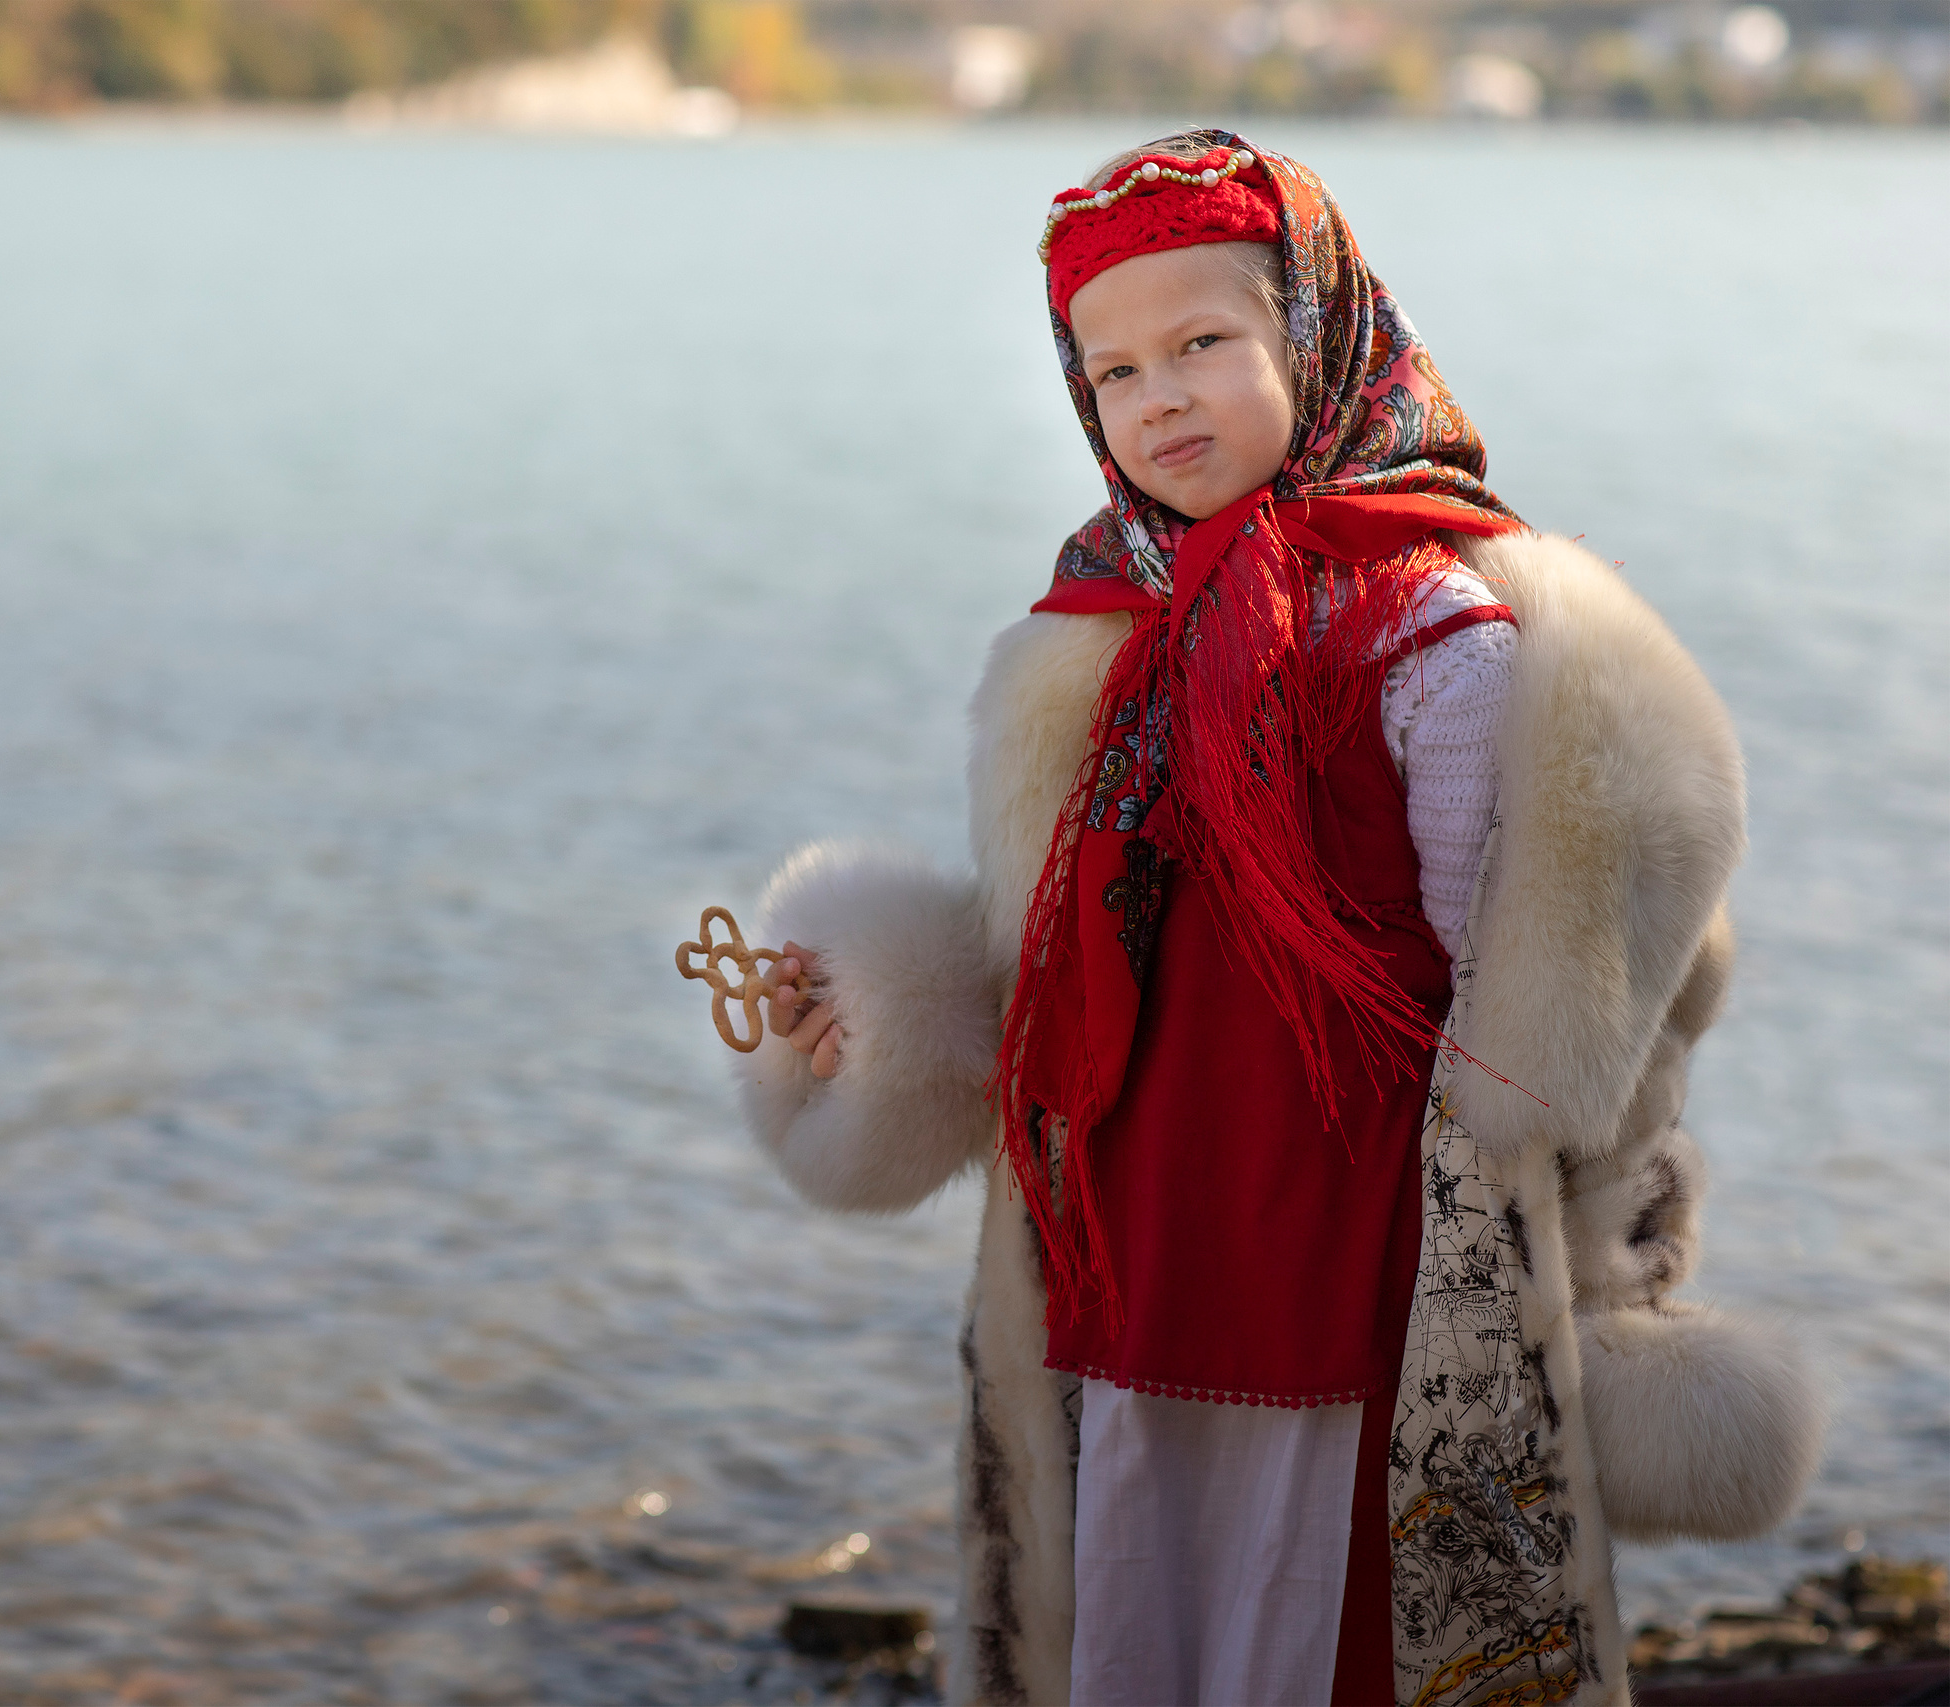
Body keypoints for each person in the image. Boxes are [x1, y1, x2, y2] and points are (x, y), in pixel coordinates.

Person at [732, 130, 1823, 1706]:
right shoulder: (1096, 632)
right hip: (1130, 1220)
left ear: (1314, 334)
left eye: (1201, 345)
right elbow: (1067, 952)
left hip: (1341, 1230)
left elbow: (1521, 965)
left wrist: (1576, 1231)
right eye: (1111, 374)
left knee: (1321, 1594)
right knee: (1127, 1577)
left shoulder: (1435, 632)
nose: (1157, 398)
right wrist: (881, 1015)